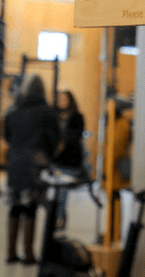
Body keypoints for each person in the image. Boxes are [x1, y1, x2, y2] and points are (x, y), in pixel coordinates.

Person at [3, 74, 60, 264]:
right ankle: (28, 253)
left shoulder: (14, 110)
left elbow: (7, 136)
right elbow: (54, 138)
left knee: (14, 207)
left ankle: (10, 252)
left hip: (15, 163)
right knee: (30, 208)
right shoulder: (47, 112)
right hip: (35, 164)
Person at [52, 90, 85, 229]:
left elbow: (76, 136)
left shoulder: (77, 117)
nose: (62, 101)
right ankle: (60, 217)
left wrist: (62, 143)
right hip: (55, 159)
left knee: (62, 192)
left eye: (64, 99)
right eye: (60, 99)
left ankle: (59, 219)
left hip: (69, 159)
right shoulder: (53, 116)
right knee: (57, 193)